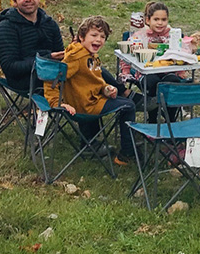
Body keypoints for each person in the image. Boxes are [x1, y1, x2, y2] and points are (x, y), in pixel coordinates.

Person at [46, 15, 136, 166]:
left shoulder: (90, 55)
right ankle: (127, 153)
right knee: (129, 106)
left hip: (91, 98)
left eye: (102, 37)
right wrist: (58, 103)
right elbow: (52, 79)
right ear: (81, 37)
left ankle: (91, 145)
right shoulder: (76, 56)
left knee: (125, 102)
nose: (98, 40)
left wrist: (106, 88)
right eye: (94, 35)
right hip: (84, 105)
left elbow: (93, 79)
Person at [0, 0, 64, 93]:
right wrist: (47, 58)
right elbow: (10, 67)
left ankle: (92, 106)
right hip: (22, 79)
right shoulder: (6, 27)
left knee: (94, 71)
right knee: (69, 81)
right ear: (14, 2)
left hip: (51, 72)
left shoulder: (50, 24)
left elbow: (60, 56)